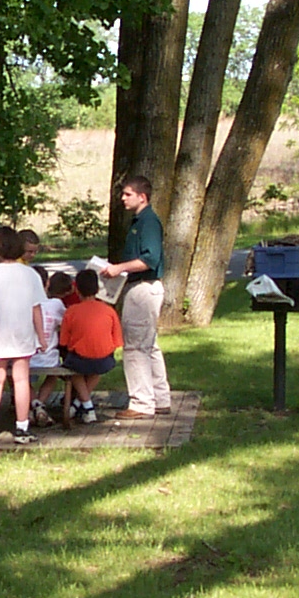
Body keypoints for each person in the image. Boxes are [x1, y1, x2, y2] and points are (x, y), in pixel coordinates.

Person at [99, 174, 172, 419]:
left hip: (143, 288)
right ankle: (160, 398)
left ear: (143, 197)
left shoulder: (148, 222)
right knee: (149, 346)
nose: (123, 198)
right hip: (141, 288)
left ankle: (141, 403)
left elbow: (150, 258)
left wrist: (119, 268)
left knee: (135, 348)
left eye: (128, 194)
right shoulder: (138, 221)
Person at [0, 226, 47, 444]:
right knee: (21, 380)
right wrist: (41, 337)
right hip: (23, 333)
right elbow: (36, 308)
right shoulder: (31, 274)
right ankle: (22, 427)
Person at [58, 269, 122, 424]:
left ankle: (87, 406)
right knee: (96, 368)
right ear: (98, 289)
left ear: (77, 289)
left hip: (80, 359)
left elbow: (63, 342)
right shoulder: (109, 311)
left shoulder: (71, 311)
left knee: (74, 370)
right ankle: (78, 404)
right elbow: (117, 340)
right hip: (104, 360)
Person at [30, 271, 73, 426]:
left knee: (17, 376)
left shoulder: (23, 303)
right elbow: (66, 325)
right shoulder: (56, 304)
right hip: (48, 357)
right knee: (52, 375)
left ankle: (35, 404)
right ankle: (40, 405)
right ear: (46, 284)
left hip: (26, 357)